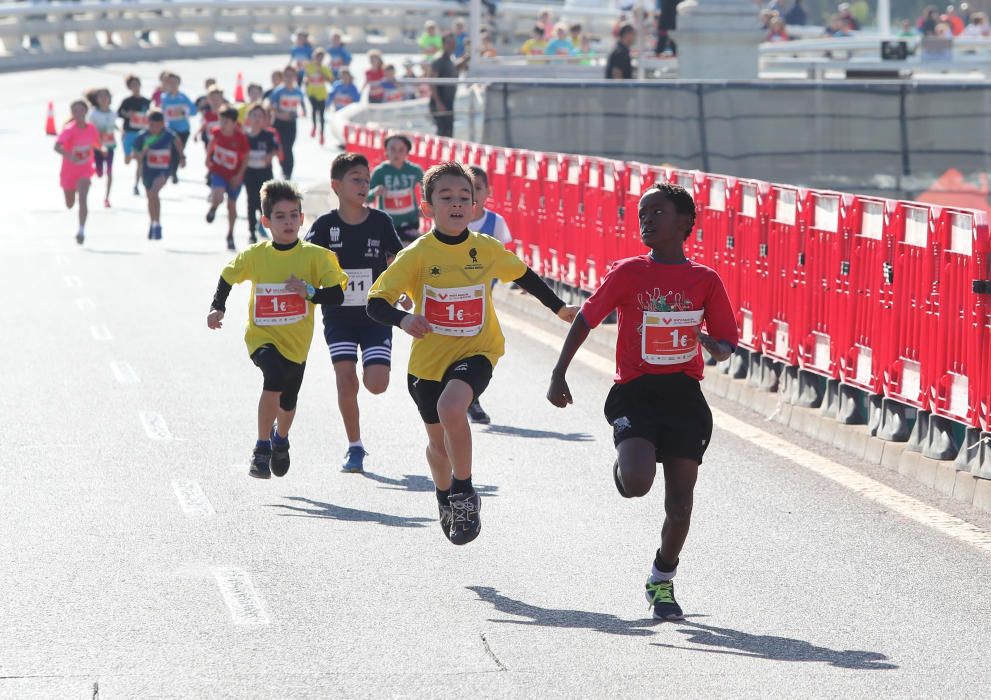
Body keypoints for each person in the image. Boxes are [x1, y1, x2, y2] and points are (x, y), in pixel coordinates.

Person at [546, 183, 738, 621]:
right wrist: (559, 372)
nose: (646, 220)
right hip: (635, 391)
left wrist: (713, 344)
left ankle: (661, 579)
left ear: (685, 223)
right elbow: (586, 318)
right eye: (642, 213)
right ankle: (627, 462)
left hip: (684, 398)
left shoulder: (705, 280)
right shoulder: (628, 273)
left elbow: (727, 343)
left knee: (681, 504)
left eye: (657, 212)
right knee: (636, 481)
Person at [366, 162, 578, 545]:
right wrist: (404, 320)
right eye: (446, 197)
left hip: (478, 350)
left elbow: (525, 275)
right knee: (437, 446)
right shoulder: (416, 255)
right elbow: (375, 302)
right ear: (427, 205)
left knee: (453, 409)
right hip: (426, 364)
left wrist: (560, 308)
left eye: (465, 197)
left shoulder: (486, 248)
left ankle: (464, 493)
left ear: (477, 203)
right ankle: (444, 493)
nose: (457, 204)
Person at [207, 180, 349, 480]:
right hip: (262, 337)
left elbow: (336, 295)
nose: (288, 222)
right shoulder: (256, 255)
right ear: (266, 221)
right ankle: (261, 449)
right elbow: (228, 276)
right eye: (281, 217)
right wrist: (218, 306)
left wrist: (309, 291)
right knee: (273, 376)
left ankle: (280, 439)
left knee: (288, 401)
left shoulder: (316, 257)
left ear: (301, 218)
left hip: (297, 344)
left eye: (294, 215)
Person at [305, 153, 405, 473]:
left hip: (376, 314)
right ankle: (355, 446)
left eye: (367, 179)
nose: (364, 185)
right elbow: (305, 262)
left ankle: (372, 366)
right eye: (356, 179)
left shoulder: (381, 221)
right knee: (345, 379)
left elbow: (399, 262)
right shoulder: (323, 227)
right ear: (336, 186)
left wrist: (404, 291)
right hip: (339, 316)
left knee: (376, 384)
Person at [465, 164, 513, 426]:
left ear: (487, 192)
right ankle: (456, 398)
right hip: (451, 301)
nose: (472, 194)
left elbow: (505, 260)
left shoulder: (495, 223)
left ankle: (472, 398)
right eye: (467, 188)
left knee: (481, 353)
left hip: (483, 304)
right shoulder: (450, 221)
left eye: (478, 188)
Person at [126, 110, 185, 241]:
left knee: (154, 192)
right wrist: (141, 154)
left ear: (163, 124)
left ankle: (158, 224)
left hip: (163, 170)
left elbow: (178, 142)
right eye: (152, 125)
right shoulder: (142, 137)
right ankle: (153, 222)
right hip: (147, 171)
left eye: (158, 125)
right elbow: (136, 156)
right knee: (150, 197)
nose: (155, 128)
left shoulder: (168, 135)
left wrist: (182, 157)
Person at [54, 99, 103, 245]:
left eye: (81, 110)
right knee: (70, 204)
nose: (79, 113)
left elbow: (96, 144)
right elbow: (57, 146)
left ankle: (81, 230)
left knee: (83, 199)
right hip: (69, 171)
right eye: (75, 111)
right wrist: (69, 155)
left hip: (85, 170)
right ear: (72, 113)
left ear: (86, 112)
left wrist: (103, 150)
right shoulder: (69, 130)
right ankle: (71, 193)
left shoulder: (91, 129)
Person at [205, 106, 251, 251]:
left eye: (225, 121)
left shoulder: (240, 138)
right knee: (218, 194)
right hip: (218, 171)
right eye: (221, 121)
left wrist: (239, 176)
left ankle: (230, 234)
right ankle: (213, 207)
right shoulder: (217, 133)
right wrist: (207, 159)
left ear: (234, 122)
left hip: (234, 176)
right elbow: (211, 143)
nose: (222, 124)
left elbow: (246, 158)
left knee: (232, 205)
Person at [368, 134, 425, 245]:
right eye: (392, 149)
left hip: (410, 222)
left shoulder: (415, 170)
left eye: (401, 150)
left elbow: (430, 189)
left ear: (407, 152)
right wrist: (374, 192)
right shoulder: (380, 171)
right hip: (387, 224)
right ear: (386, 152)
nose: (396, 153)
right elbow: (365, 197)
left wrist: (425, 207)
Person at [244, 104, 279, 243]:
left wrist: (270, 155)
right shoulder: (244, 136)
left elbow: (276, 149)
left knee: (265, 201)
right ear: (249, 118)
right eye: (254, 115)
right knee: (251, 201)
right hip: (250, 173)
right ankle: (252, 231)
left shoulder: (269, 135)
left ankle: (263, 223)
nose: (257, 119)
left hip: (265, 174)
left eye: (260, 116)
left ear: (265, 119)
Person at [268, 66, 307, 179]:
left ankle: (288, 172)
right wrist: (279, 114)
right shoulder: (279, 91)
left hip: (291, 124)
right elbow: (272, 105)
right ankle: (282, 168)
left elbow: (302, 104)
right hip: (279, 123)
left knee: (288, 147)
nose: (289, 78)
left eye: (291, 75)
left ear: (295, 77)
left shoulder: (298, 91)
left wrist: (303, 112)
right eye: (287, 75)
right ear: (283, 77)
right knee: (280, 147)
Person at [118, 75, 151, 197]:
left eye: (137, 84)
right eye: (133, 85)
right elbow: (119, 113)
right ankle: (130, 154)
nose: (135, 87)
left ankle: (137, 185)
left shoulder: (146, 101)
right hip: (129, 132)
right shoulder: (127, 101)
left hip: (141, 134)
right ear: (129, 87)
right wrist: (127, 114)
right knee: (127, 160)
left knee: (140, 161)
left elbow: (152, 114)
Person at [160, 73, 196, 184]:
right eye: (170, 82)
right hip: (170, 129)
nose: (172, 85)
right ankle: (172, 171)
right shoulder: (164, 97)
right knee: (171, 149)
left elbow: (194, 111)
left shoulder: (183, 98)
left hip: (183, 129)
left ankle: (175, 168)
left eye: (175, 82)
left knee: (178, 151)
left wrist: (183, 111)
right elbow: (162, 112)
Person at [86, 87, 116, 209]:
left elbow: (113, 125)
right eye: (101, 97)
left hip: (110, 146)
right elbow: (89, 128)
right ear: (96, 99)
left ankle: (107, 198)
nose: (104, 99)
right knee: (98, 173)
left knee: (109, 171)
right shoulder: (93, 114)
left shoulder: (113, 113)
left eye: (106, 96)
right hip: (96, 148)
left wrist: (121, 130)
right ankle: (82, 189)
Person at [429, 33, 459, 138]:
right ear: (443, 44)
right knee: (442, 133)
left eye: (453, 43)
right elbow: (432, 82)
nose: (452, 46)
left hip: (449, 101)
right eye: (449, 43)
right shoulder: (438, 60)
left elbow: (457, 69)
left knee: (449, 132)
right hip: (440, 102)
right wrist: (438, 102)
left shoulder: (451, 59)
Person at [304, 49, 334, 144]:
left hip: (322, 94)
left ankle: (322, 134)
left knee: (321, 114)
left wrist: (322, 73)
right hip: (311, 92)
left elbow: (330, 80)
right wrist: (306, 80)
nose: (319, 59)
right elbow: (306, 77)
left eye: (321, 57)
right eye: (318, 57)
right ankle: (314, 127)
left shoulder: (325, 69)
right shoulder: (309, 66)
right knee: (314, 109)